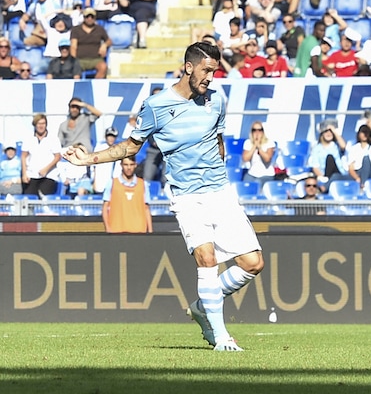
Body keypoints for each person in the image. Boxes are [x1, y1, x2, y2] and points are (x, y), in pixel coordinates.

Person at [63, 41, 265, 352]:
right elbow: (130, 148)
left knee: (253, 263)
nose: (211, 77)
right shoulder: (156, 105)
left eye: (215, 71)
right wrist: (86, 158)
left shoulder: (216, 101)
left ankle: (201, 307)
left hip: (220, 192)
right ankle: (221, 337)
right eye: (207, 70)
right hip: (187, 196)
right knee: (207, 260)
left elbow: (218, 141)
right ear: (188, 67)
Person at [102, 157, 153, 234]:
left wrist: (150, 231)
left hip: (139, 230)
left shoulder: (143, 184)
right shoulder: (112, 183)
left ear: (135, 165)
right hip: (117, 230)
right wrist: (108, 229)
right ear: (121, 165)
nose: (129, 168)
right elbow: (105, 208)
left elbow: (146, 209)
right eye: (126, 165)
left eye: (131, 164)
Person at [22, 113, 61, 196]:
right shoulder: (28, 138)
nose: (41, 126)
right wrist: (24, 173)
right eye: (39, 123)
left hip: (49, 175)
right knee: (29, 198)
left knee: (43, 196)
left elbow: (57, 157)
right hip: (32, 174)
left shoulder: (53, 138)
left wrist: (46, 169)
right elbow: (23, 156)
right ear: (35, 125)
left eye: (43, 123)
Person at [70, 8, 112, 78]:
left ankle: (96, 86)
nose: (90, 18)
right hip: (80, 59)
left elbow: (109, 41)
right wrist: (74, 60)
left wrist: (104, 45)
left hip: (96, 59)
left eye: (92, 17)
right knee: (75, 71)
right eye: (87, 16)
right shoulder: (76, 29)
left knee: (103, 67)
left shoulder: (100, 29)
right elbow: (73, 46)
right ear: (84, 17)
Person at [309, 121, 351, 188]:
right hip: (325, 176)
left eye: (330, 132)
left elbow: (343, 146)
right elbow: (315, 166)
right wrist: (321, 177)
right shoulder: (316, 148)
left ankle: (325, 187)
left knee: (330, 159)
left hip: (338, 173)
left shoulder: (336, 146)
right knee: (329, 158)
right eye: (326, 131)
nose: (329, 133)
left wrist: (334, 131)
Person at [242, 121, 277, 185]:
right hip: (252, 174)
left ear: (263, 131)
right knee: (245, 185)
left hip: (266, 174)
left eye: (259, 130)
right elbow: (245, 158)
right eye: (254, 130)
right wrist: (254, 146)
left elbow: (267, 159)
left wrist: (259, 148)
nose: (257, 133)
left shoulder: (269, 143)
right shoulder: (248, 143)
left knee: (257, 184)